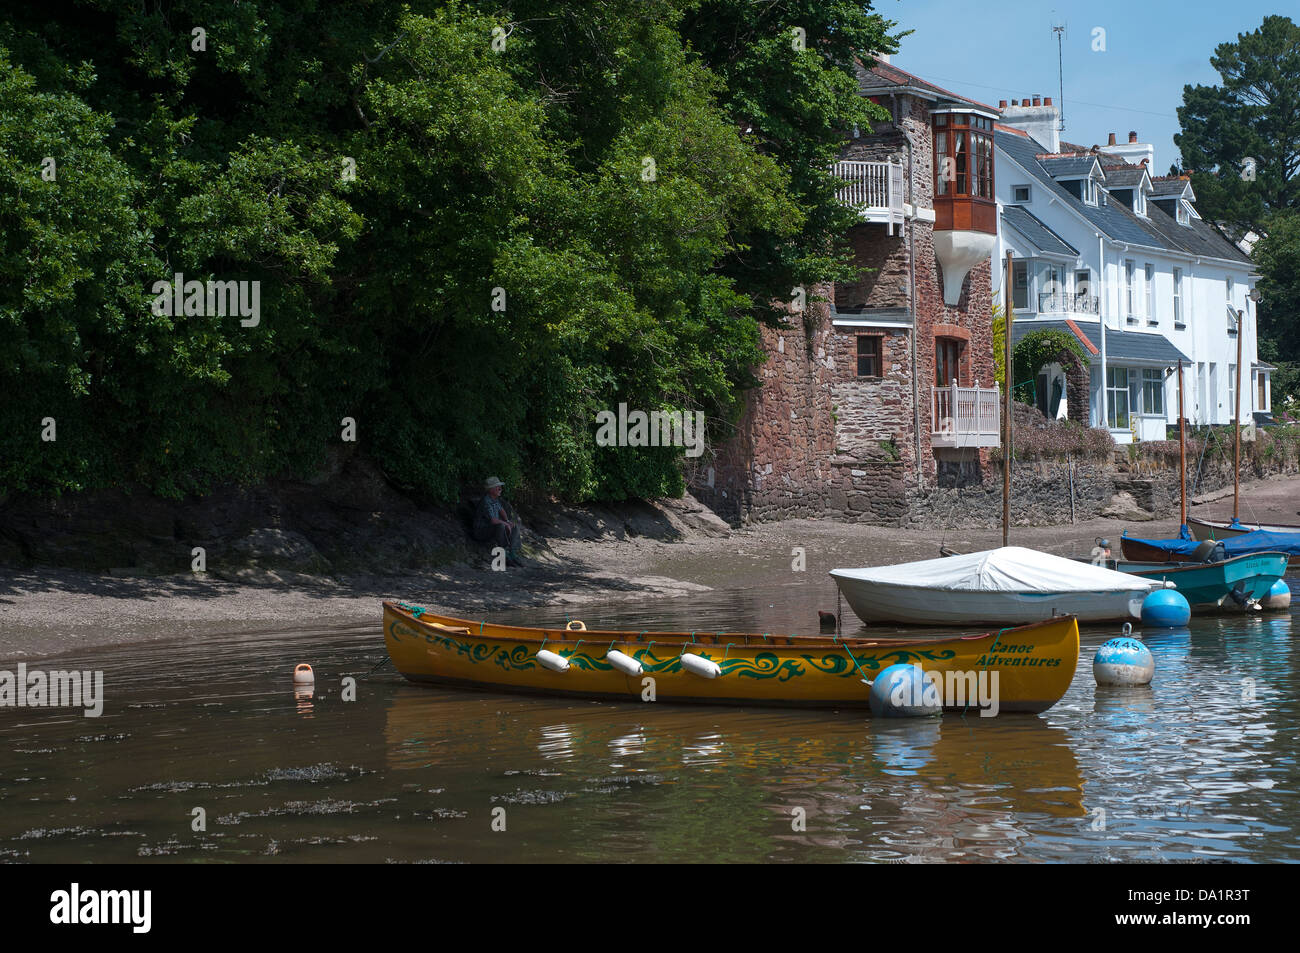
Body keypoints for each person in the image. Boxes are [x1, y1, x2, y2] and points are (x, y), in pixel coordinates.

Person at [473, 476, 524, 567]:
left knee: (514, 526)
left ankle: (512, 553)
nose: (500, 488)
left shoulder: (495, 499)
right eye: (497, 487)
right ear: (491, 490)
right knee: (501, 526)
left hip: (491, 528)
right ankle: (504, 554)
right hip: (481, 531)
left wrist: (507, 521)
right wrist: (505, 523)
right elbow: (493, 521)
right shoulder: (486, 502)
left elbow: (501, 510)